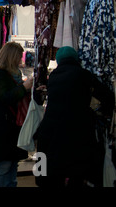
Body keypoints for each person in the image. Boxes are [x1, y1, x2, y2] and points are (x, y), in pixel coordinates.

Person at [34, 46, 114, 188]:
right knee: (76, 174)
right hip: (77, 131)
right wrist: (98, 111)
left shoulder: (53, 77)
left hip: (50, 131)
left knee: (49, 171)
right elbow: (107, 96)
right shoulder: (83, 74)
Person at [0, 41, 33, 187]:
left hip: (12, 126)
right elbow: (4, 98)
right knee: (4, 166)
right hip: (3, 127)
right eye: (19, 56)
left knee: (12, 166)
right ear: (12, 56)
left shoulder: (12, 74)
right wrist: (24, 88)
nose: (21, 59)